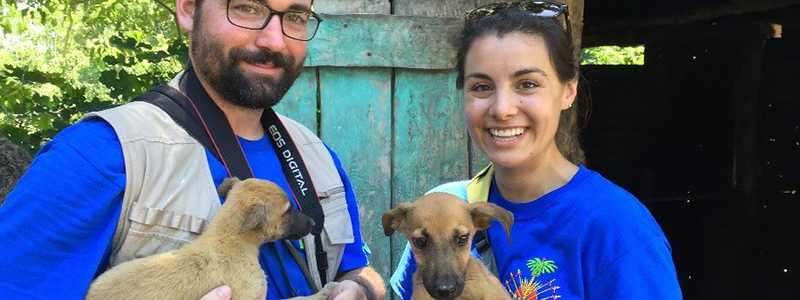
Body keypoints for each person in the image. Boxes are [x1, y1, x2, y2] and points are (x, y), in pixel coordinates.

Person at [0, 0, 386, 299]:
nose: (274, 40)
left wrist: (361, 289)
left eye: (296, 16)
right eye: (247, 7)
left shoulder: (320, 159)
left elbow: (355, 270)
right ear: (188, 9)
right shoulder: (99, 156)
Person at [389, 1, 682, 299]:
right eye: (481, 86)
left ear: (568, 90)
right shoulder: (443, 210)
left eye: (527, 84)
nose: (502, 109)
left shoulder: (616, 227)